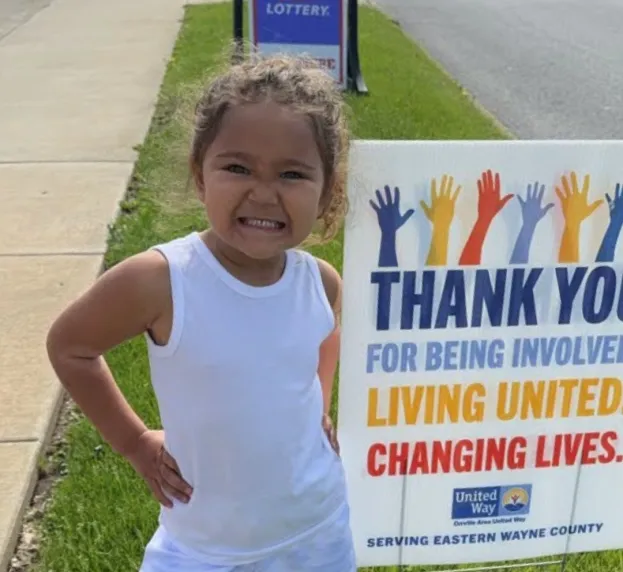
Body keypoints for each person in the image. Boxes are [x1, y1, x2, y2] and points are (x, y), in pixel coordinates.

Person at [46, 53, 355, 571]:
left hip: (318, 534)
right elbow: (71, 346)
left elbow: (326, 335)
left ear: (327, 192)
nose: (263, 193)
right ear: (199, 175)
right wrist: (134, 442)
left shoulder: (320, 283)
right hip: (204, 549)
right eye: (237, 168)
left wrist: (319, 404)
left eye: (293, 173)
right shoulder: (163, 280)